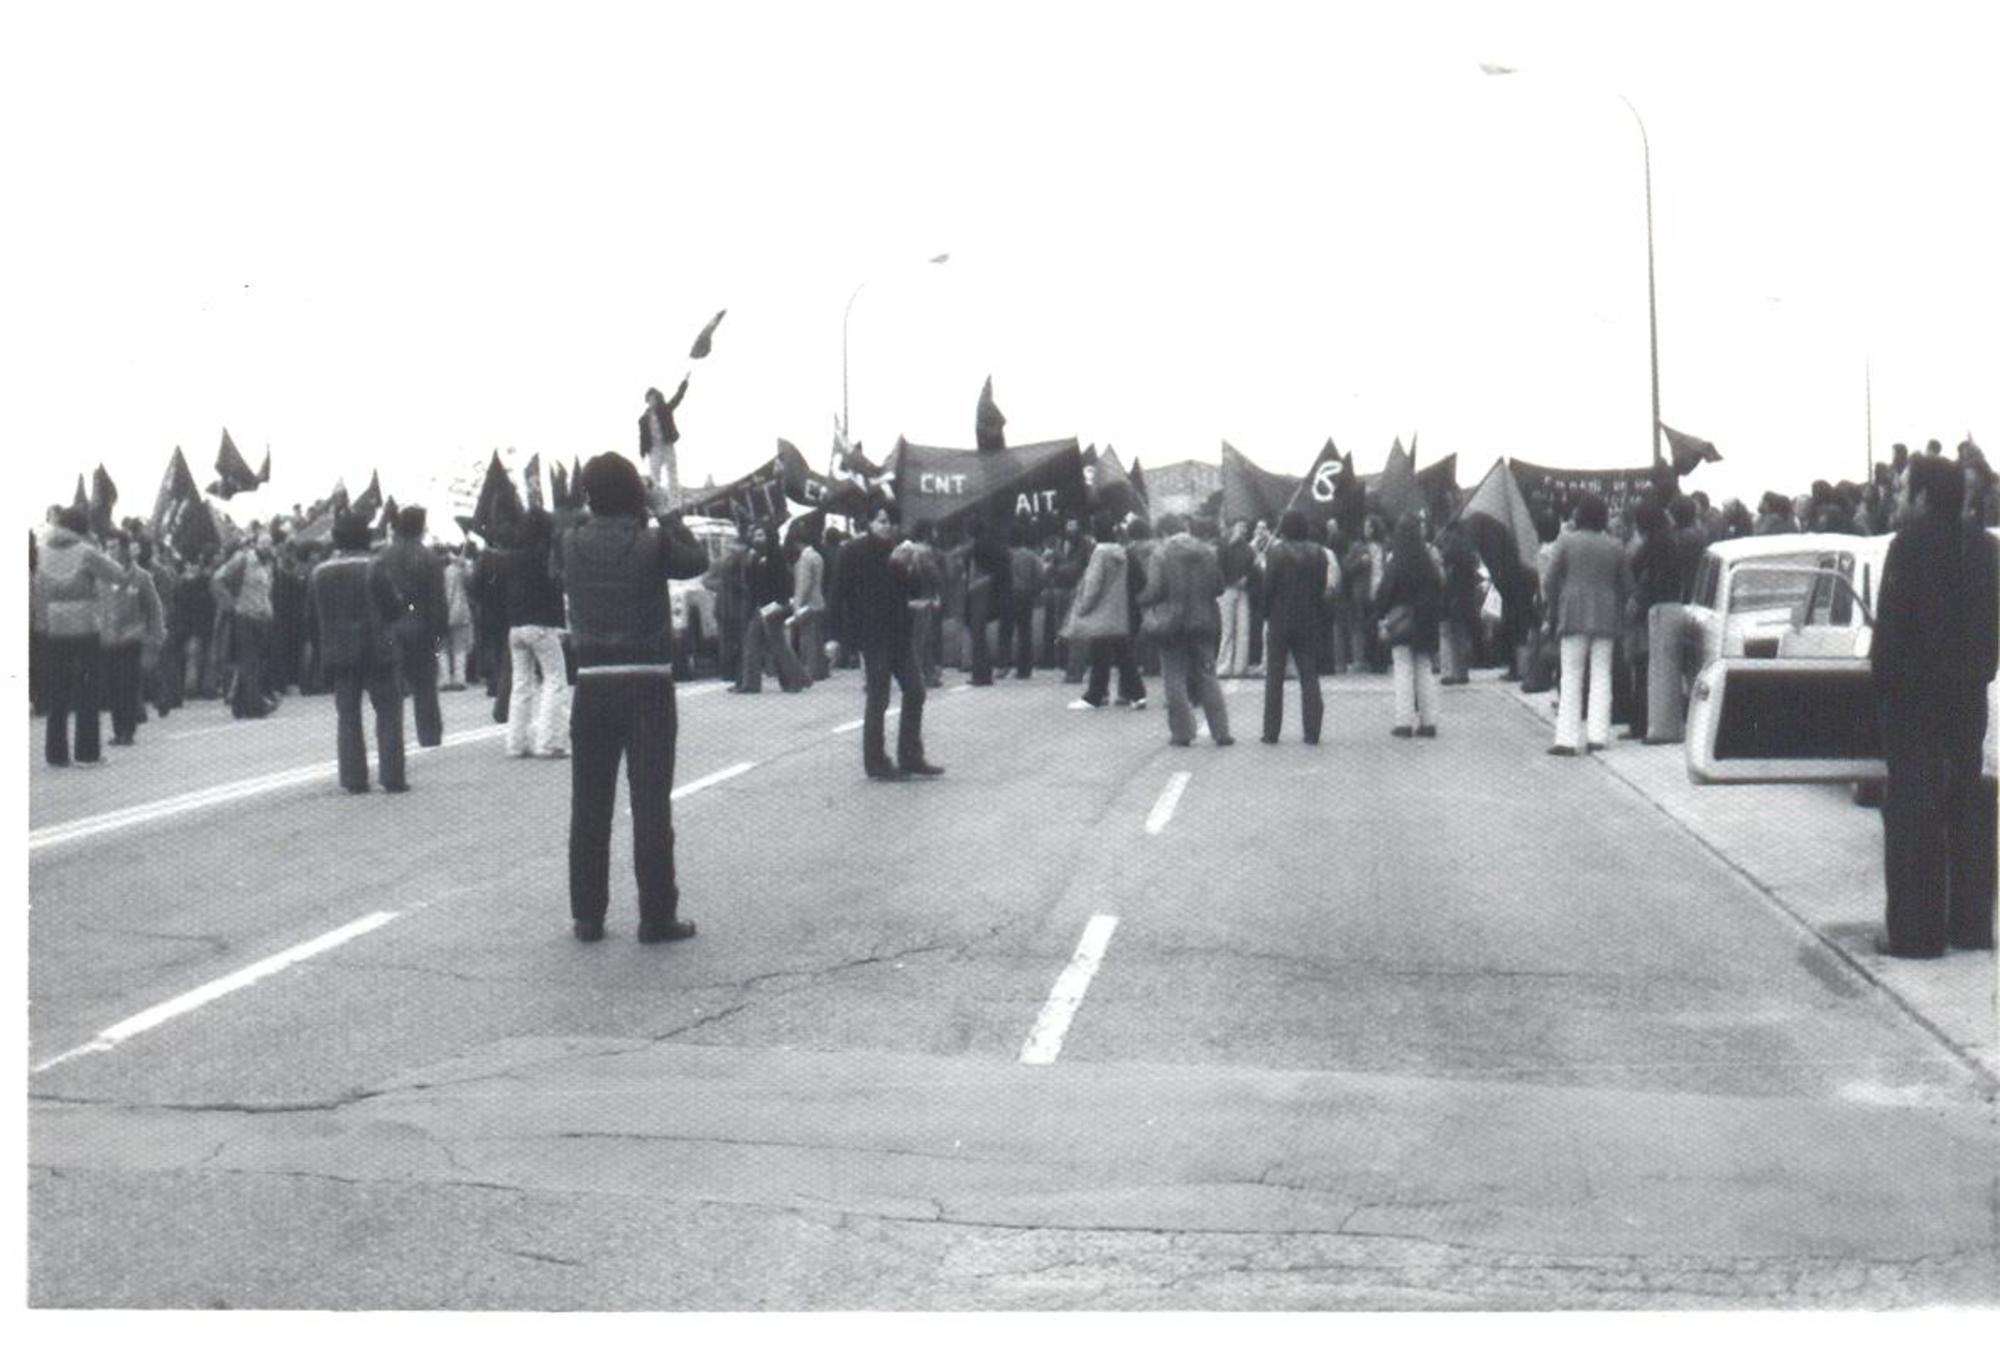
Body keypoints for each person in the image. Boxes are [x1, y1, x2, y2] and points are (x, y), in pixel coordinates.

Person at [556, 453, 711, 943]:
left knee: (589, 804)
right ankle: (656, 916)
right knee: (650, 804)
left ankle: (588, 916)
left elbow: (557, 570)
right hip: (648, 682)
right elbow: (697, 561)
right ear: (635, 492)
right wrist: (666, 512)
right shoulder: (654, 541)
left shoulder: (569, 543)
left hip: (592, 683)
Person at [1870, 453, 1998, 957]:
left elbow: (1890, 633)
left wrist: (1883, 686)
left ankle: (1916, 935)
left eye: (1904, 489)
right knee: (1966, 806)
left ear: (1923, 496)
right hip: (1967, 699)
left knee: (1913, 815)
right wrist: (1978, 672)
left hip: (1914, 702)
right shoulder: (1986, 549)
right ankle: (1970, 927)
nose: (1899, 497)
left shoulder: (1908, 546)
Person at [836, 501, 943, 781]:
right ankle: (875, 761)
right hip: (872, 634)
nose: (886, 527)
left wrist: (906, 565)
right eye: (880, 521)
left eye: (890, 522)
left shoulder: (898, 550)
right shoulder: (853, 551)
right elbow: (838, 594)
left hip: (899, 633)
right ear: (870, 523)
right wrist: (839, 637)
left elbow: (914, 589)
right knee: (879, 697)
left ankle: (910, 755)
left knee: (915, 690)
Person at [311, 511, 409, 794]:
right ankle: (392, 776)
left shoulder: (319, 572)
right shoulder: (374, 566)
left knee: (347, 714)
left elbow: (311, 618)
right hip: (376, 649)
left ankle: (353, 778)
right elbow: (393, 608)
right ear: (365, 537)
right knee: (388, 711)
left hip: (338, 652)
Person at [31, 507, 125, 766]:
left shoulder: (41, 551)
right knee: (87, 689)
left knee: (58, 689)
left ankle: (56, 754)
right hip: (84, 626)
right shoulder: (86, 551)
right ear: (83, 529)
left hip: (53, 625)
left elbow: (36, 588)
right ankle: (87, 753)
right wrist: (95, 546)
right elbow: (117, 574)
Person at [1542, 493, 1633, 756]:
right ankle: (1597, 736)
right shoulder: (1615, 546)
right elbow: (1627, 585)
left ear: (1579, 515)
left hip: (1572, 614)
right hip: (1606, 616)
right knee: (1602, 675)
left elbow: (1549, 579)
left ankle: (1566, 740)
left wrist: (1554, 605)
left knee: (1571, 675)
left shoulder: (1566, 541)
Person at [1136, 514, 1236, 748]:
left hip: (1172, 623)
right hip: (1203, 621)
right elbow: (1219, 587)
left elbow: (1155, 590)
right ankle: (1221, 731)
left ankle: (1183, 732)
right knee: (1207, 675)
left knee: (1174, 676)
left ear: (1163, 533)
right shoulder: (1207, 552)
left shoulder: (1161, 554)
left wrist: (1140, 600)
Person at [499, 507, 572, 757]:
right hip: (540, 625)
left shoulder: (512, 556)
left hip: (515, 627)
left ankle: (516, 743)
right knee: (555, 680)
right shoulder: (545, 556)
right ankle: (549, 742)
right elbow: (557, 585)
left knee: (521, 685)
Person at [379, 505, 448, 747]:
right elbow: (437, 600)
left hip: (391, 628)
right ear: (420, 527)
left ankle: (392, 742)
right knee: (425, 687)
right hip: (422, 627)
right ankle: (429, 736)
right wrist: (440, 633)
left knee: (392, 690)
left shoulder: (384, 556)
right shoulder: (429, 558)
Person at [1258, 509, 1327, 744]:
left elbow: (1268, 588)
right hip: (1308, 618)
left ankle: (1271, 731)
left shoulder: (1276, 553)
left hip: (1280, 619)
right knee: (1309, 675)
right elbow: (1321, 587)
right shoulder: (1318, 553)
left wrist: (1266, 613)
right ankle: (1312, 731)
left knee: (1274, 677)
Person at [1374, 513, 1445, 738]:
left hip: (1402, 621)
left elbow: (1385, 592)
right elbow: (1439, 587)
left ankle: (1403, 722)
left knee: (1403, 669)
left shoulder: (1396, 561)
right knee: (1424, 669)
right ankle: (1428, 722)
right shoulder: (1428, 561)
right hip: (1426, 620)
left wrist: (1380, 613)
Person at [1064, 512, 1144, 710]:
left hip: (1101, 609)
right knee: (1123, 653)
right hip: (1120, 608)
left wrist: (1082, 607)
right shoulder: (1123, 552)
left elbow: (1093, 584)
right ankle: (1137, 694)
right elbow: (1139, 580)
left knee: (1099, 653)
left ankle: (1095, 695)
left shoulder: (1099, 553)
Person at [98, 533, 165, 747]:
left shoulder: (141, 577)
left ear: (125, 549)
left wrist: (156, 635)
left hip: (131, 638)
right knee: (113, 688)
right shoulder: (101, 576)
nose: (110, 552)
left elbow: (153, 608)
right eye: (108, 547)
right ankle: (118, 730)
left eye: (114, 547)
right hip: (107, 639)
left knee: (128, 685)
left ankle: (128, 731)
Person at [733, 520, 807, 693]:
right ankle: (752, 683)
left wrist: (779, 602)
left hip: (773, 606)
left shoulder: (776, 557)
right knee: (754, 643)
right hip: (761, 607)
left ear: (769, 537)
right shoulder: (755, 557)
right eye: (755, 535)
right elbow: (751, 584)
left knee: (775, 644)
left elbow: (783, 584)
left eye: (760, 535)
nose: (756, 539)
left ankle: (796, 679)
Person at [216, 538, 277, 720]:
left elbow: (265, 592)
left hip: (262, 618)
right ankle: (256, 705)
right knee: (249, 661)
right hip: (244, 616)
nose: (268, 549)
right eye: (265, 545)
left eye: (270, 546)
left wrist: (269, 612)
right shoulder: (242, 560)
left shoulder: (268, 565)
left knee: (254, 662)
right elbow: (218, 579)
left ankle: (240, 704)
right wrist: (231, 604)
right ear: (257, 546)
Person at [787, 527, 829, 684]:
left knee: (808, 640)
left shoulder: (804, 559)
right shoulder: (817, 556)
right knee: (817, 638)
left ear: (797, 542)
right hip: (819, 600)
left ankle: (811, 671)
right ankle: (822, 670)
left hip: (808, 604)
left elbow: (804, 584)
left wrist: (797, 604)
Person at [1215, 520, 1256, 677]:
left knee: (1243, 629)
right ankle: (1224, 666)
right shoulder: (1224, 546)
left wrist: (1247, 578)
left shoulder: (1248, 549)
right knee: (1228, 629)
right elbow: (1219, 567)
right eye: (1240, 526)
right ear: (1233, 528)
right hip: (1227, 590)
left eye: (1245, 527)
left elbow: (1252, 569)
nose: (1243, 529)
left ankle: (1240, 667)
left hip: (1242, 590)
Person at [638, 379, 690, 498]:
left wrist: (684, 384)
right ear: (647, 400)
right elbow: (642, 437)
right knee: (655, 477)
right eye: (650, 399)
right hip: (654, 449)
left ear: (658, 398)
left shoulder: (665, 410)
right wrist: (642, 451)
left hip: (667, 445)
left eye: (654, 398)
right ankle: (658, 500)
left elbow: (677, 398)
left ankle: (674, 501)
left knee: (672, 474)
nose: (652, 401)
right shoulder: (643, 419)